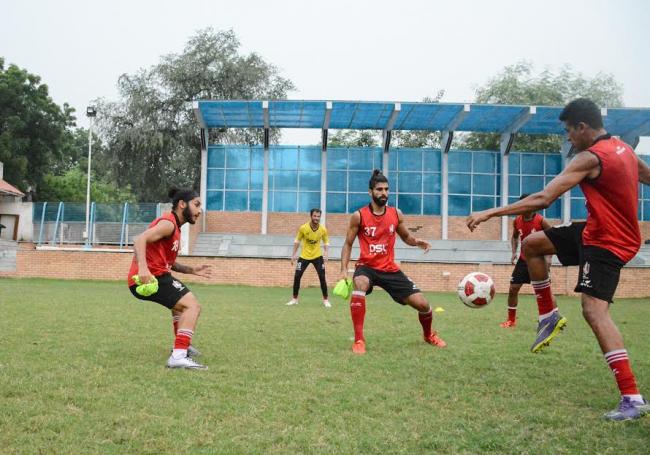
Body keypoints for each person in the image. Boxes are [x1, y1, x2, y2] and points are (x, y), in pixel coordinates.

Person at [466, 98, 650, 421]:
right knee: (532, 245)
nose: (568, 138)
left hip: (608, 242)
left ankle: (632, 397)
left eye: (569, 131)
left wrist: (490, 212)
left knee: (594, 311)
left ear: (583, 127)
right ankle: (548, 315)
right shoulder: (623, 149)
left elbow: (543, 198)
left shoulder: (589, 157)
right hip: (596, 231)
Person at [340, 169, 446, 355]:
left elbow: (406, 236)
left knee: (423, 305)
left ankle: (428, 335)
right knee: (360, 282)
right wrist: (344, 269)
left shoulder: (396, 213)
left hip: (390, 269)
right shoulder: (359, 216)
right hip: (367, 267)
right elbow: (348, 243)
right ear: (370, 192)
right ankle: (359, 340)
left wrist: (416, 242)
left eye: (386, 189)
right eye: (379, 189)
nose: (384, 193)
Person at [127, 187, 212, 370]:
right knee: (192, 306)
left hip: (159, 275)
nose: (199, 211)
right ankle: (179, 356)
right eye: (196, 205)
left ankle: (182, 346)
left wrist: (192, 270)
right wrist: (143, 269)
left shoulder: (175, 228)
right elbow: (139, 239)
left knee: (179, 306)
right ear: (182, 204)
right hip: (151, 278)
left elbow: (169, 262)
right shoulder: (168, 224)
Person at [500, 194, 553, 328]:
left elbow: (553, 237)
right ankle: (511, 320)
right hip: (524, 260)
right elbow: (514, 237)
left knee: (544, 293)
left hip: (539, 260)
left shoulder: (541, 220)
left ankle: (549, 321)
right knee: (513, 288)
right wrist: (514, 253)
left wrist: (548, 258)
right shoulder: (517, 221)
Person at [286, 209, 331, 308]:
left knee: (322, 277)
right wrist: (293, 255)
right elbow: (297, 241)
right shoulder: (303, 228)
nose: (316, 218)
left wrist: (326, 252)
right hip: (304, 256)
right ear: (311, 216)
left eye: (318, 216)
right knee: (297, 276)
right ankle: (294, 299)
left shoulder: (323, 229)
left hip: (317, 256)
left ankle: (326, 300)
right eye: (315, 216)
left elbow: (326, 242)